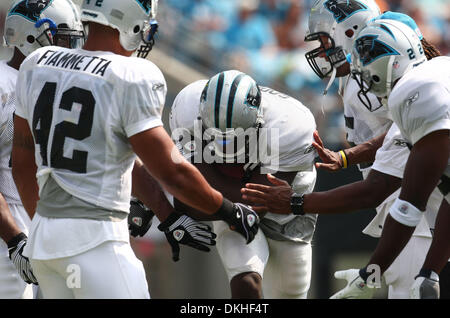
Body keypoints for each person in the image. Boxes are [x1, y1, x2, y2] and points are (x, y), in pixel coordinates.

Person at [11, 0, 258, 299]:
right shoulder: (132, 74)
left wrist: (49, 228)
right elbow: (172, 171)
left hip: (45, 242)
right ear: (132, 21)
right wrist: (228, 210)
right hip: (96, 242)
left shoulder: (37, 63)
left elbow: (22, 163)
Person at [241, 0, 448, 298]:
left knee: (409, 288)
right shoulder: (422, 77)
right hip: (419, 193)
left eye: (326, 38)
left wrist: (296, 202)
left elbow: (383, 183)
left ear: (348, 31)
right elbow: (400, 135)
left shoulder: (408, 89)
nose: (321, 48)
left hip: (414, 195)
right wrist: (346, 157)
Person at [164, 70, 318, 299]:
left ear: (258, 121)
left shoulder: (291, 124)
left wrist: (203, 194)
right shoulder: (188, 106)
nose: (226, 147)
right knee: (246, 281)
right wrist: (200, 198)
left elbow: (259, 203)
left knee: (291, 289)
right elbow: (187, 198)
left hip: (285, 204)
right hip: (227, 203)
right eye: (215, 135)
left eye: (235, 136)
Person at [349, 19, 449, 299]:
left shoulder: (414, 90)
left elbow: (407, 205)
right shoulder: (440, 69)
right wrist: (430, 272)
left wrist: (371, 272)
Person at [0, 0, 85, 299]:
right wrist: (14, 240)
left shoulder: (60, 90)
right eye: (62, 39)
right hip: (9, 238)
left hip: (48, 234)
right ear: (27, 35)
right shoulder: (4, 86)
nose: (69, 50)